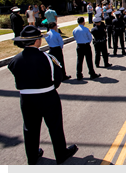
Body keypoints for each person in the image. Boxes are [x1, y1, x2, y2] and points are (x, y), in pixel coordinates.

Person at [8, 26, 78, 165]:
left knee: (30, 128)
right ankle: (60, 153)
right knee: (55, 126)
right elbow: (57, 78)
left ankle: (32, 157)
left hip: (27, 98)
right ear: (36, 41)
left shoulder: (15, 60)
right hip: (47, 96)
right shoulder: (47, 58)